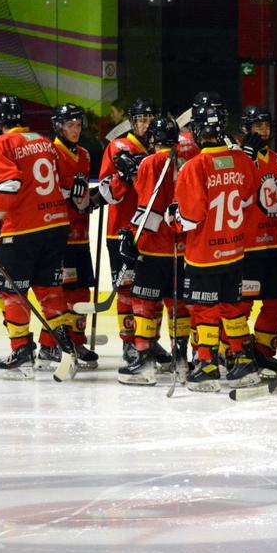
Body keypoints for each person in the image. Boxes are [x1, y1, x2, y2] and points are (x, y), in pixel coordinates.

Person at [0, 95, 77, 379]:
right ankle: (63, 348)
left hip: (24, 230)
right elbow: (65, 186)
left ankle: (21, 354)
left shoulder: (3, 144)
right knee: (50, 290)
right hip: (57, 225)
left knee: (11, 291)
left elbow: (9, 183)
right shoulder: (44, 142)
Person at [171, 105, 258, 393]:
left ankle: (207, 365)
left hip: (204, 254)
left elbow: (191, 217)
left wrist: (174, 217)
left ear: (197, 130)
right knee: (232, 306)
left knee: (204, 309)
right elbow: (247, 200)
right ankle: (244, 362)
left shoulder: (194, 166)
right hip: (234, 250)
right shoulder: (241, 160)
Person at [90, 98, 166, 364]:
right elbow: (105, 193)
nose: (145, 124)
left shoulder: (162, 148)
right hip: (121, 232)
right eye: (141, 119)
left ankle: (151, 340)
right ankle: (129, 342)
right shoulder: (117, 147)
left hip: (153, 232)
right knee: (126, 290)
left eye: (149, 119)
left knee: (154, 291)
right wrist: (122, 177)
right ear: (133, 122)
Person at [117, 116, 191, 385]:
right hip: (182, 249)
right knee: (177, 304)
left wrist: (132, 237)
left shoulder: (150, 163)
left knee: (144, 303)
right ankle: (180, 360)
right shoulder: (186, 162)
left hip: (154, 248)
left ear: (152, 138)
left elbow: (148, 207)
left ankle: (144, 362)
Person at [236, 105, 277, 379]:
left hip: (274, 244)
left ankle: (261, 353)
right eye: (257, 126)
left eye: (266, 125)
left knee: (276, 301)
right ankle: (235, 352)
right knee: (242, 304)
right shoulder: (238, 157)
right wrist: (245, 158)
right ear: (245, 129)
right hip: (247, 246)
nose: (263, 131)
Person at [38, 103, 100, 371]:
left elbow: (82, 197)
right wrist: (67, 193)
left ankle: (76, 340)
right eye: (69, 125)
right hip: (58, 235)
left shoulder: (84, 155)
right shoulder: (50, 153)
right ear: (58, 127)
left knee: (81, 291)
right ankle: (49, 344)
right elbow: (45, 192)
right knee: (59, 293)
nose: (75, 130)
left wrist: (95, 198)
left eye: (78, 125)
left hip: (80, 236)